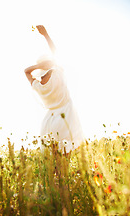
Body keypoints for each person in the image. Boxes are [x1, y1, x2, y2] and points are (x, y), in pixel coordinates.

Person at [24, 25, 84, 153]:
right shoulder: (58, 74)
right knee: (65, 156)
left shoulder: (38, 86)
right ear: (50, 63)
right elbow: (55, 52)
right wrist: (45, 34)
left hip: (49, 122)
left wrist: (38, 66)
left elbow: (26, 71)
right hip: (65, 117)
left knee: (52, 159)